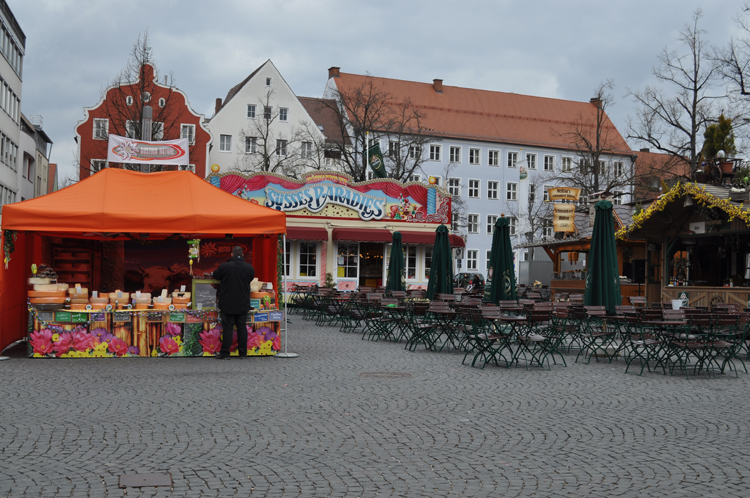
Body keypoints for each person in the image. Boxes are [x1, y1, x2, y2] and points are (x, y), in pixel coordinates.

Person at [212, 245, 256, 359]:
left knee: (228, 328)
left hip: (227, 303)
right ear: (243, 255)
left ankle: (225, 353)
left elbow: (215, 276)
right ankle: (243, 353)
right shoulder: (249, 268)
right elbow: (250, 279)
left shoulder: (224, 267)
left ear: (231, 255)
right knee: (242, 328)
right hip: (243, 303)